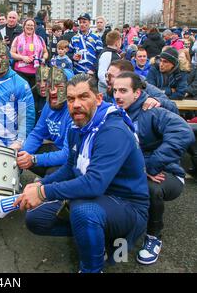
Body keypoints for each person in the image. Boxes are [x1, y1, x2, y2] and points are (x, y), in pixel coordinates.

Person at [14, 74, 150, 273]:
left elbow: (94, 184)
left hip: (126, 205)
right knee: (35, 219)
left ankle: (92, 268)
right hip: (99, 199)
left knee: (82, 210)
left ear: (98, 98)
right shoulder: (77, 126)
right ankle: (94, 240)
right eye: (70, 99)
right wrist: (40, 184)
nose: (76, 104)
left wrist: (43, 193)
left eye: (83, 97)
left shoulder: (113, 130)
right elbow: (70, 168)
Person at [113, 72, 194, 265]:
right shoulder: (114, 113)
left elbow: (184, 132)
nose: (117, 95)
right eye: (115, 90)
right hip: (134, 172)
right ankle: (119, 244)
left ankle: (153, 236)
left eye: (123, 90)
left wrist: (150, 165)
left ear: (137, 93)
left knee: (151, 188)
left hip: (165, 173)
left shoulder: (151, 111)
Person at [17, 66, 72, 178]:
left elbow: (67, 154)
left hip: (74, 158)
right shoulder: (49, 104)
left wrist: (34, 159)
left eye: (59, 86)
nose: (53, 91)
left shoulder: (74, 109)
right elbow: (37, 133)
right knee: (23, 155)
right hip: (57, 148)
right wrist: (22, 154)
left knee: (52, 173)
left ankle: (48, 185)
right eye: (50, 86)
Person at [104, 59, 179, 114]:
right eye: (106, 75)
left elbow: (173, 108)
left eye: (111, 76)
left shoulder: (147, 89)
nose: (107, 79)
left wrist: (157, 101)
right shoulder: (109, 93)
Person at [11, 18, 49, 91]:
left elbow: (45, 52)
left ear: (34, 27)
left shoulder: (40, 39)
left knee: (34, 95)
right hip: (21, 72)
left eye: (32, 25)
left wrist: (44, 58)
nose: (30, 27)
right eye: (28, 25)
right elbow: (11, 53)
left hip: (36, 72)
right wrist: (23, 57)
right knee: (22, 93)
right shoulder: (17, 39)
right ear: (24, 26)